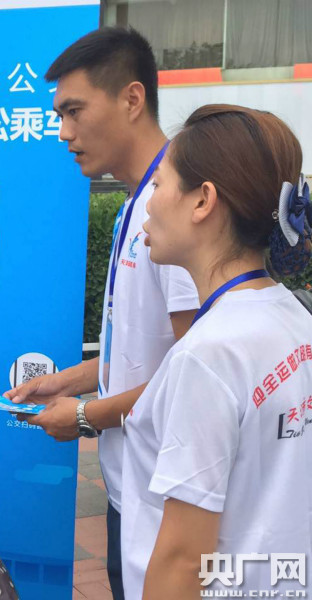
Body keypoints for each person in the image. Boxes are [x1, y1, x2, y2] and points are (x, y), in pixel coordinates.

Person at [4, 27, 199, 598]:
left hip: (171, 504)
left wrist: (87, 417)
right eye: (58, 115)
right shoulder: (135, 204)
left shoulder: (177, 210)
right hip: (130, 488)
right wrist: (68, 381)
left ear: (132, 99)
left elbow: (196, 379)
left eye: (74, 111)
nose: (63, 132)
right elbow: (148, 351)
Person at [120, 105, 312, 599]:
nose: (148, 205)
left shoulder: (208, 354)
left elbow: (183, 562)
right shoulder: (295, 319)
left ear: (203, 200)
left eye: (159, 185)